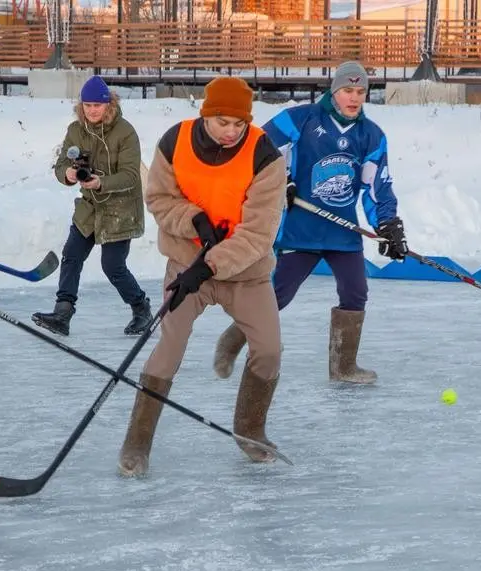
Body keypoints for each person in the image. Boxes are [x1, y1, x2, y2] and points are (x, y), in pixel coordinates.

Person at [116, 76, 287, 478]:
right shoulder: (175, 142)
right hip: (184, 265)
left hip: (245, 274)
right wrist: (192, 219)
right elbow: (159, 199)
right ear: (205, 114)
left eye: (239, 124)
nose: (231, 132)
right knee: (169, 349)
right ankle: (137, 442)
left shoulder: (266, 156)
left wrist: (208, 266)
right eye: (222, 122)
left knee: (269, 350)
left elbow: (258, 234)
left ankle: (250, 431)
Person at [211, 61, 407, 386]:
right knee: (278, 294)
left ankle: (343, 366)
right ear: (334, 91)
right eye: (347, 90)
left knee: (356, 292)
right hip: (301, 229)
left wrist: (387, 223)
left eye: (360, 91)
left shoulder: (371, 136)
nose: (354, 98)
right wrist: (280, 182)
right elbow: (259, 149)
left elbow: (377, 187)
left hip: (343, 232)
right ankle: (233, 340)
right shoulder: (301, 119)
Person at [31, 75, 152, 337]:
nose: (92, 110)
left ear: (108, 105)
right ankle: (62, 313)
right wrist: (68, 174)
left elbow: (131, 176)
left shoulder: (125, 132)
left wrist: (101, 182)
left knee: (113, 266)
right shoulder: (76, 130)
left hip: (121, 208)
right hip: (90, 206)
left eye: (97, 105)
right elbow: (62, 163)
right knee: (72, 254)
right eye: (87, 105)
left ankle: (141, 308)